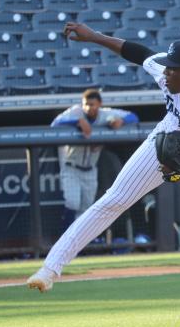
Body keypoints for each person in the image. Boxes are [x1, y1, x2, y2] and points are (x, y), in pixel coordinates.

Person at [27, 23, 180, 327]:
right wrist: (93, 37)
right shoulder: (169, 74)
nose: (165, 72)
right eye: (166, 68)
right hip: (167, 139)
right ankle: (50, 268)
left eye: (173, 69)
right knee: (115, 197)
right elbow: (139, 53)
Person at [52, 89, 139, 230]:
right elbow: (55, 124)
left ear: (99, 104)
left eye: (92, 104)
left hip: (90, 169)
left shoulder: (106, 114)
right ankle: (65, 236)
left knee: (86, 209)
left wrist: (120, 121)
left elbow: (133, 117)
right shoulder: (75, 112)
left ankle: (81, 243)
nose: (88, 108)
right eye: (86, 104)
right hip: (71, 167)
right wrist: (77, 122)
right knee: (73, 203)